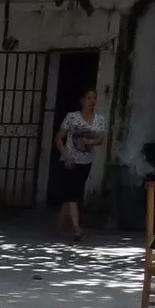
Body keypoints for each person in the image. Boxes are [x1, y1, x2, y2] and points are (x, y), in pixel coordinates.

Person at [49, 85, 106, 239]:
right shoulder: (72, 117)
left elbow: (100, 138)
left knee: (71, 194)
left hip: (86, 161)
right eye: (89, 98)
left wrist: (89, 141)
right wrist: (65, 154)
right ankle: (76, 229)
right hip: (69, 160)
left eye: (94, 98)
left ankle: (60, 226)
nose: (92, 101)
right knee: (72, 194)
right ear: (82, 101)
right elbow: (59, 138)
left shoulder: (99, 120)